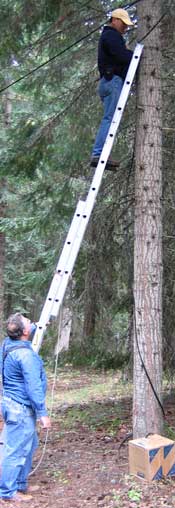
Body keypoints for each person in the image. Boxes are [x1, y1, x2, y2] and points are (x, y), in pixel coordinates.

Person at [0, 312, 51, 502]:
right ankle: (7, 491)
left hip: (12, 403)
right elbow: (33, 386)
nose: (31, 322)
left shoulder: (7, 343)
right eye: (28, 322)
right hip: (19, 408)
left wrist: (39, 325)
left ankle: (20, 484)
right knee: (15, 450)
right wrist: (43, 414)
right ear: (24, 332)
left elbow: (26, 328)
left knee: (29, 445)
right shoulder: (26, 355)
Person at [91, 8, 134, 170]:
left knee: (109, 118)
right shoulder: (111, 35)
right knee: (109, 118)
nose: (126, 28)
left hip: (109, 82)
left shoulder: (109, 35)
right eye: (124, 24)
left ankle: (100, 153)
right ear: (115, 20)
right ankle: (99, 153)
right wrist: (137, 55)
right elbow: (121, 55)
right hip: (113, 81)